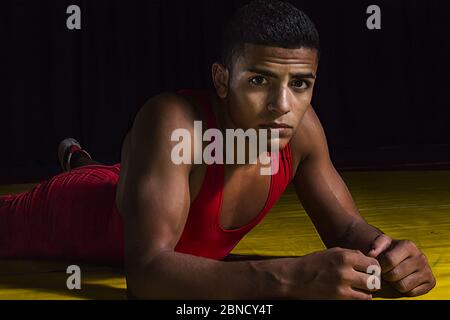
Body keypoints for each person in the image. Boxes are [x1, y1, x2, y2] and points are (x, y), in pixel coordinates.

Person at [0, 0, 435, 299]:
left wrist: (391, 254)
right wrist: (287, 277)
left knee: (123, 177)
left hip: (142, 183)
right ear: (222, 79)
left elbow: (346, 230)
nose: (282, 106)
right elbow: (147, 273)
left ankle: (82, 156)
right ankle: (79, 165)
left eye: (300, 84)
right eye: (259, 80)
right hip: (76, 205)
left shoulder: (301, 129)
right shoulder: (172, 120)